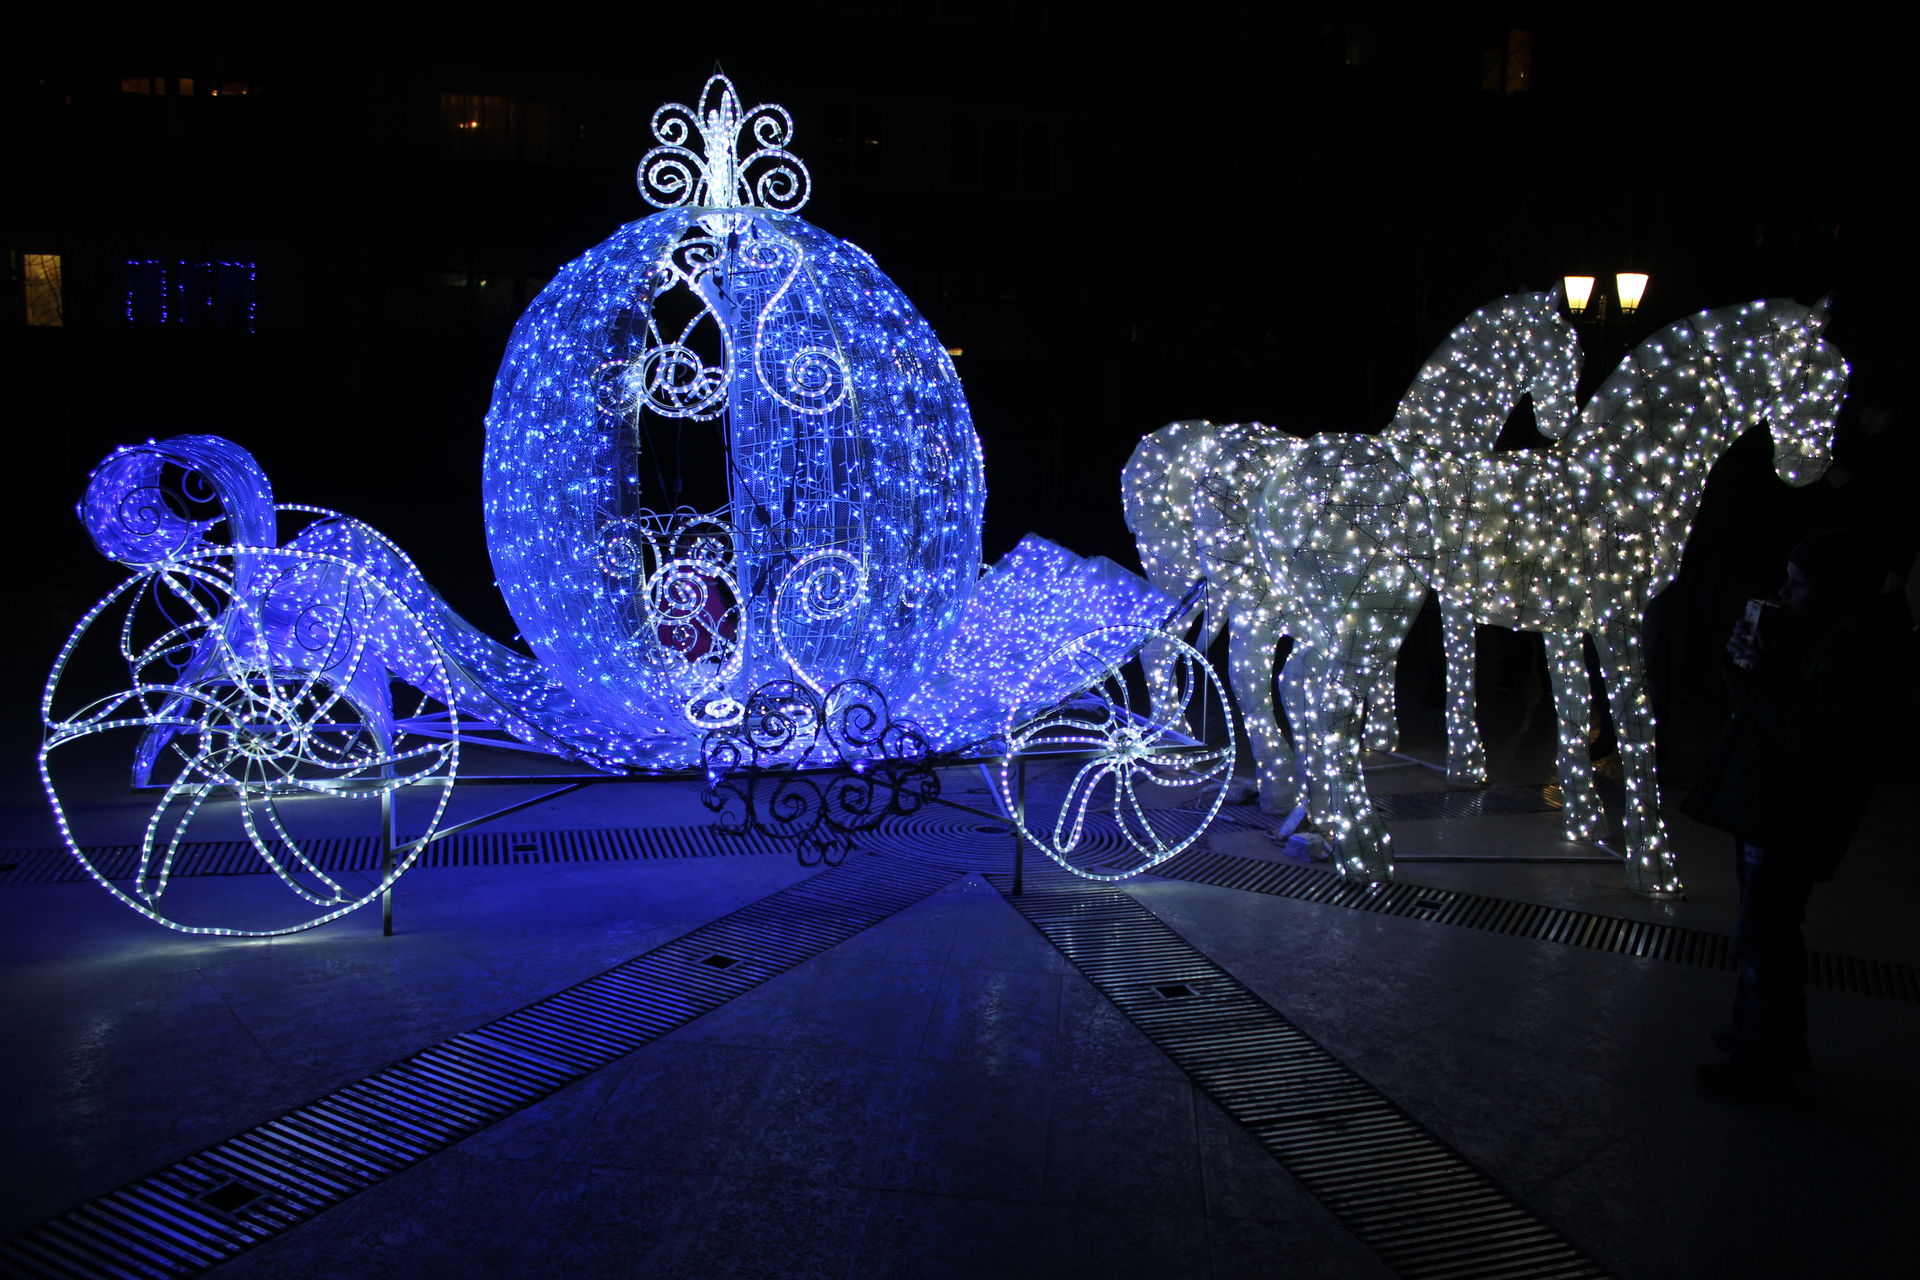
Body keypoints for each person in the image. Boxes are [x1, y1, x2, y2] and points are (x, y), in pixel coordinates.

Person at [1682, 528, 1884, 1100]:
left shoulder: (1848, 656)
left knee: (1763, 933)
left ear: (1835, 592)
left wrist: (1749, 681)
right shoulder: (1827, 640)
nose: (1783, 594)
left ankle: (1763, 1058)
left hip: (1787, 812)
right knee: (1769, 928)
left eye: (1797, 587)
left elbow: (1806, 735)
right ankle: (1772, 1036)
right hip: (1778, 806)